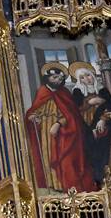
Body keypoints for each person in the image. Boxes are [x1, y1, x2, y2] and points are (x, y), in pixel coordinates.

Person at [25, 62, 91, 191]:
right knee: (47, 156)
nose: (57, 80)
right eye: (54, 77)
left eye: (60, 79)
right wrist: (33, 117)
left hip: (63, 131)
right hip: (45, 130)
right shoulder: (42, 92)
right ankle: (52, 184)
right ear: (47, 77)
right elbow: (35, 110)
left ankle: (63, 185)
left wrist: (58, 124)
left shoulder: (64, 93)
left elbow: (71, 114)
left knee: (63, 156)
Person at [70, 61, 111, 188]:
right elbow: (74, 110)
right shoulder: (77, 92)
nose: (86, 79)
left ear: (92, 76)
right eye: (82, 78)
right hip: (87, 130)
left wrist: (103, 119)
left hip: (106, 127)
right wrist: (89, 102)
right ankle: (98, 182)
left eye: (87, 75)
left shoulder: (102, 90)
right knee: (93, 155)